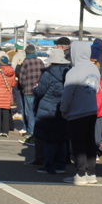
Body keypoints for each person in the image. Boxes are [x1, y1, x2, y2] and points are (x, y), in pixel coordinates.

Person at [60, 41, 101, 185]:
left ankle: (80, 174)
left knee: (78, 144)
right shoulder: (94, 68)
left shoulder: (74, 71)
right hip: (92, 109)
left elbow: (67, 94)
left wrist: (63, 109)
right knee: (90, 142)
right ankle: (91, 172)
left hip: (77, 111)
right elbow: (96, 89)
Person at [32, 47, 71, 175]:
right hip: (63, 107)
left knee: (49, 140)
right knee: (61, 139)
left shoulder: (48, 74)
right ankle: (61, 165)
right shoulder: (69, 72)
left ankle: (49, 165)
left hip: (48, 108)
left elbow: (40, 91)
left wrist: (34, 89)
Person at [16, 44, 45, 143]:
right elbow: (43, 75)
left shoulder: (26, 62)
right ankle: (36, 130)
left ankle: (31, 130)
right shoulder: (40, 61)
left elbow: (21, 78)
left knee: (29, 112)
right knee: (36, 111)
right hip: (39, 89)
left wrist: (24, 86)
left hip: (28, 90)